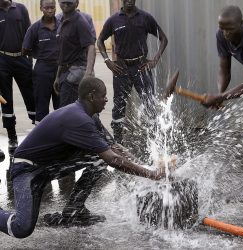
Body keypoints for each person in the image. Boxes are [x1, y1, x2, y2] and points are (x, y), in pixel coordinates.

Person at [0, 77, 165, 239]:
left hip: (47, 168)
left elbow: (114, 148)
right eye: (103, 95)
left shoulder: (89, 117)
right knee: (21, 228)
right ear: (92, 97)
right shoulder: (78, 119)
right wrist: (151, 175)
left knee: (99, 157)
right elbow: (113, 160)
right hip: (27, 170)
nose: (106, 99)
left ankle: (74, 209)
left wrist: (147, 167)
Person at [97, 0, 168, 144]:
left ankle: (154, 141)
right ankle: (118, 142)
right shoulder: (114, 20)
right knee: (119, 105)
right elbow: (100, 41)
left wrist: (154, 60)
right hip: (121, 68)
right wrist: (107, 61)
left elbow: (164, 39)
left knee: (149, 103)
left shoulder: (145, 18)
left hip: (141, 67)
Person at [0, 0, 36, 154]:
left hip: (22, 59)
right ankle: (12, 137)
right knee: (6, 100)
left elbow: (29, 33)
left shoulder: (21, 8)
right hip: (2, 60)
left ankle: (37, 134)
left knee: (31, 96)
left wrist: (29, 59)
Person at [202, 5, 243, 108]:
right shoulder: (221, 34)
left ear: (241, 23)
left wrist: (219, 98)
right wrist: (220, 94)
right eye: (222, 28)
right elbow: (224, 71)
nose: (225, 33)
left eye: (230, 29)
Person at [22, 0, 59, 125]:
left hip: (61, 69)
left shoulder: (62, 25)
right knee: (41, 105)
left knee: (61, 106)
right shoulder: (34, 28)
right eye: (46, 7)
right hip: (42, 70)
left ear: (55, 8)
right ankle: (41, 137)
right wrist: (39, 54)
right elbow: (25, 49)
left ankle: (61, 137)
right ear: (41, 8)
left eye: (52, 7)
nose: (49, 10)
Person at [54, 0, 96, 107]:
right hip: (65, 72)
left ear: (76, 3)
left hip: (75, 74)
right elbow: (63, 52)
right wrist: (58, 76)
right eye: (63, 2)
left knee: (67, 111)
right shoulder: (62, 21)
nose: (66, 4)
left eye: (69, 2)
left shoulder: (80, 21)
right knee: (71, 111)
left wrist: (88, 73)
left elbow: (91, 47)